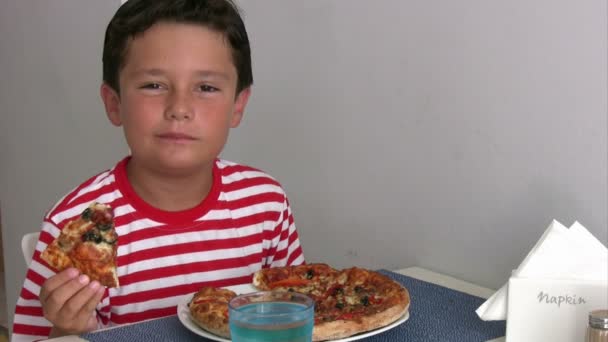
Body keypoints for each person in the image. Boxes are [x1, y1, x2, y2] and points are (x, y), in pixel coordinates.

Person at [11, 0, 305, 340]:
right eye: (154, 85)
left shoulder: (265, 204)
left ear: (237, 106)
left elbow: (295, 307)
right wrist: (67, 329)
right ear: (114, 103)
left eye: (206, 88)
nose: (179, 108)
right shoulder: (75, 224)